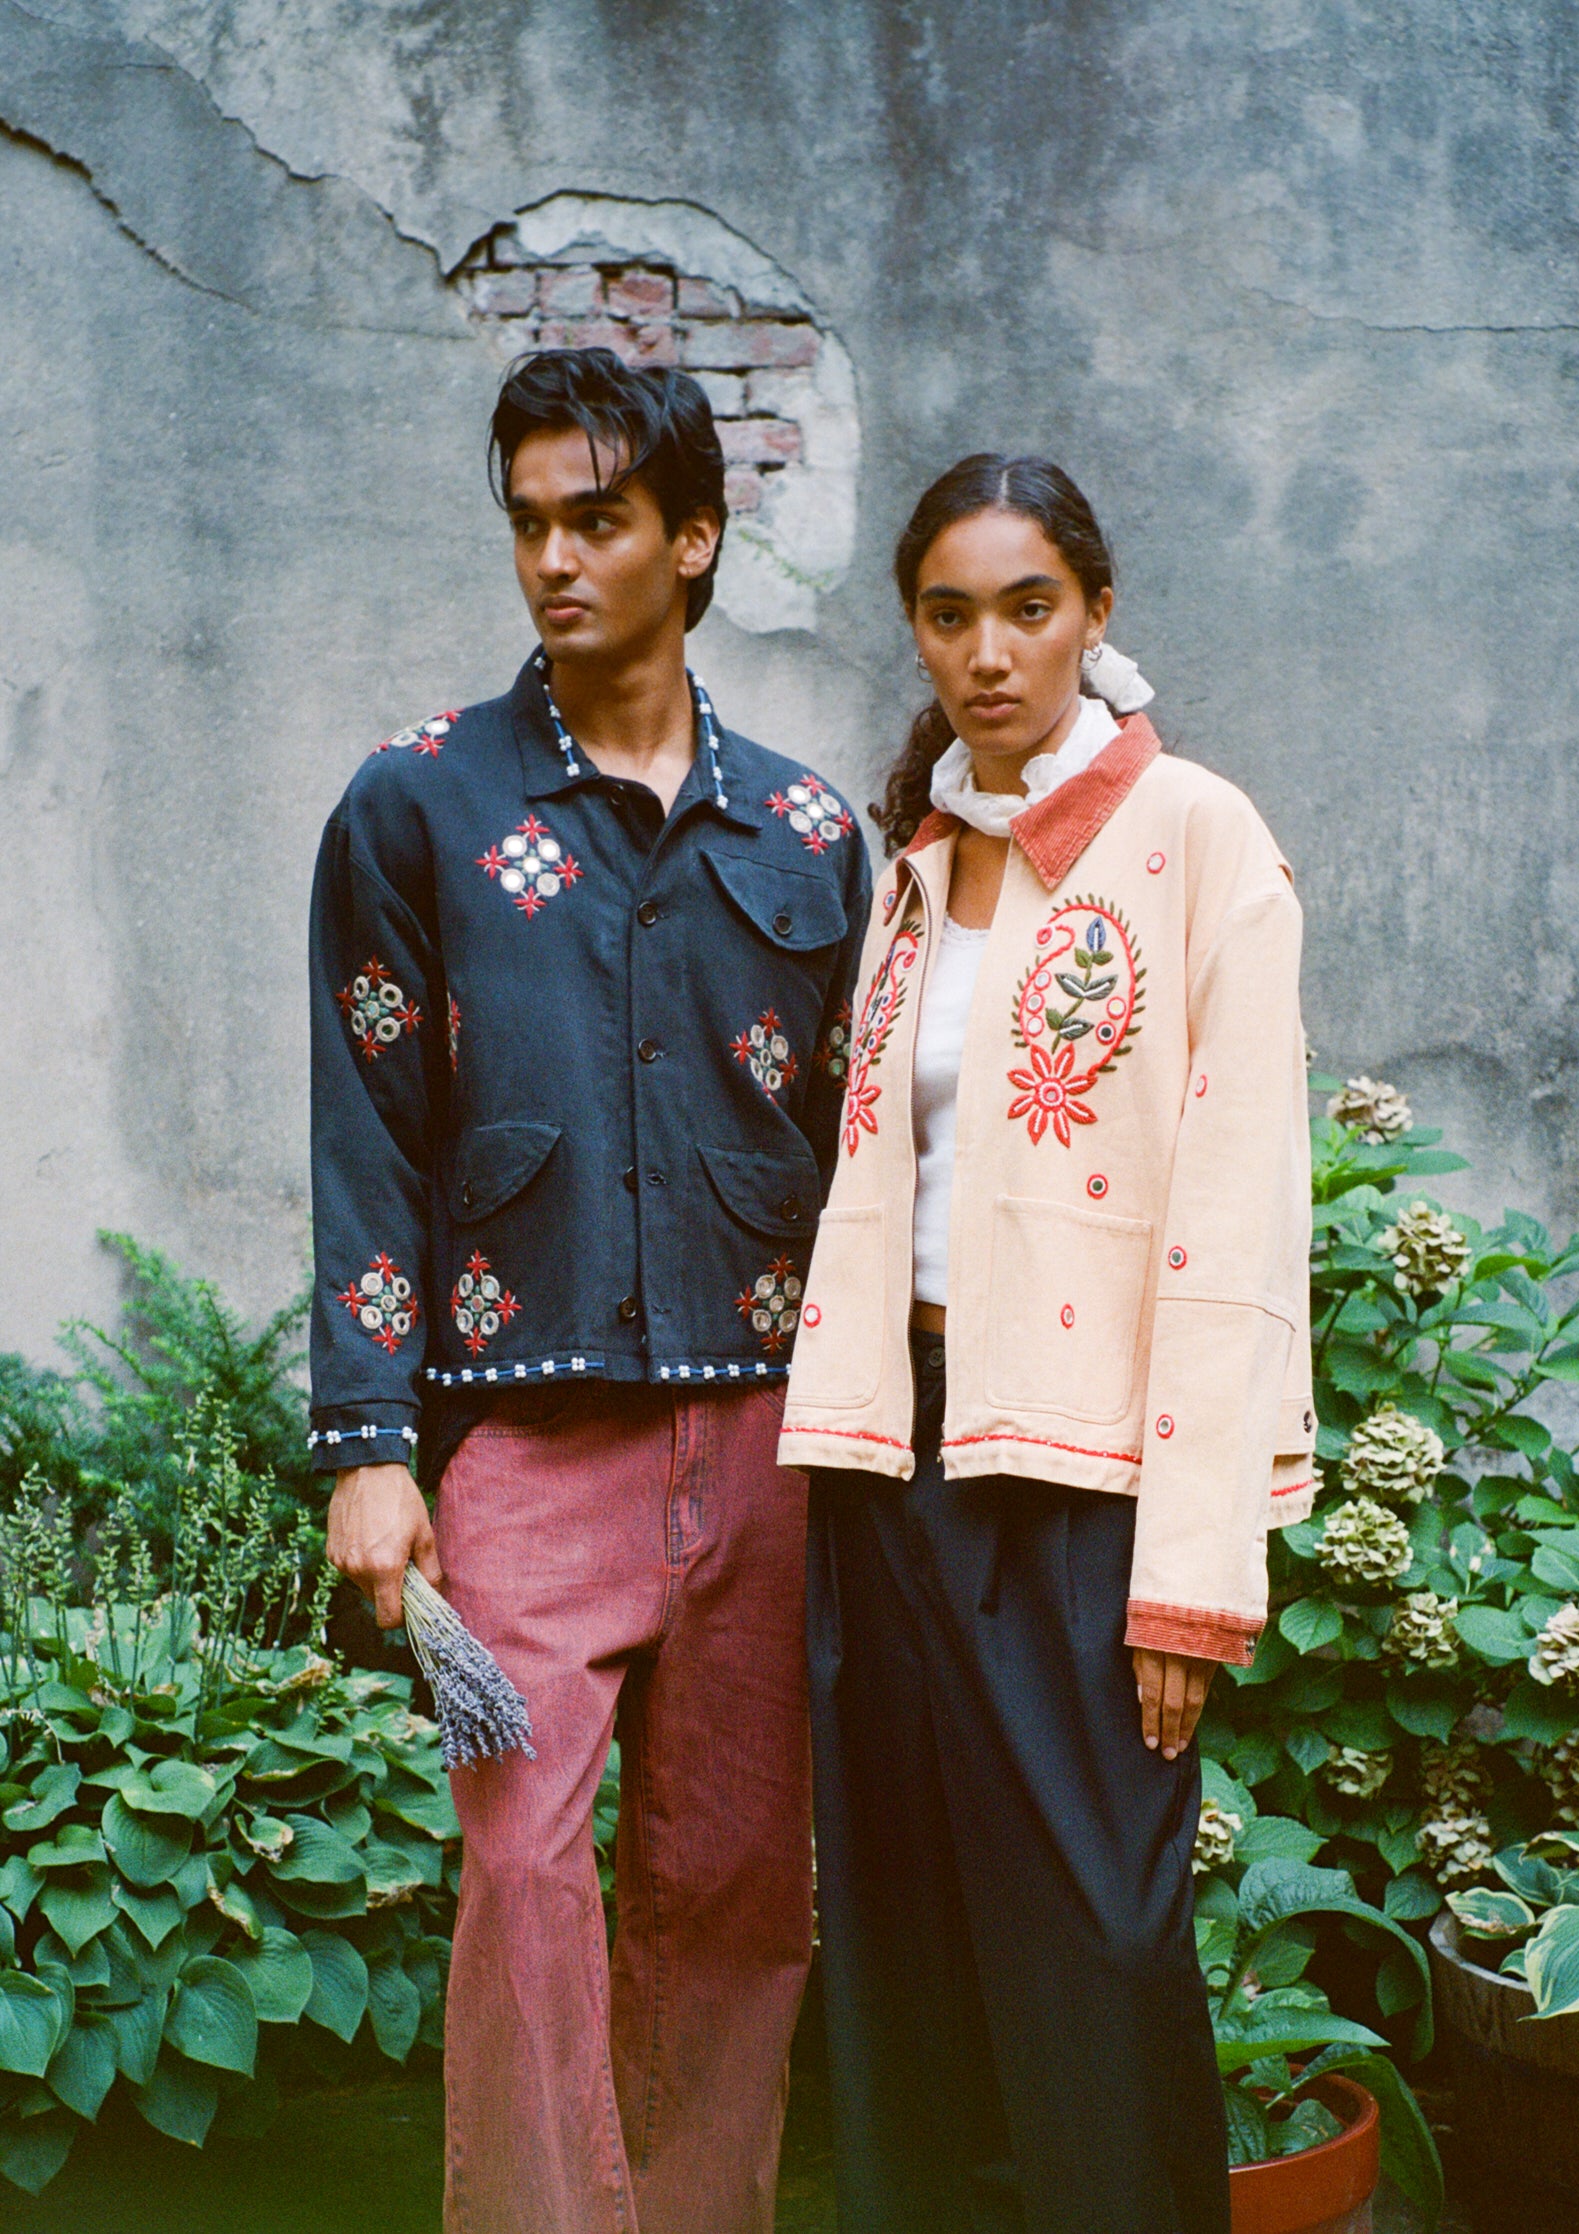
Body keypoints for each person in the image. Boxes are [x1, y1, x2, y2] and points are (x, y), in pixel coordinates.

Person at [309, 347, 870, 2234]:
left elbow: (861, 1159)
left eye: (599, 519)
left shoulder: (806, 835)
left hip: (768, 1435)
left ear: (692, 540)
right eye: (530, 521)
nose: (554, 557)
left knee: (731, 1890)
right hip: (529, 1443)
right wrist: (372, 1443)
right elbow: (369, 1130)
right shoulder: (418, 805)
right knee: (526, 1882)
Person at [779, 454, 1317, 2233]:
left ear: (1096, 610)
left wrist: (1191, 1567)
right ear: (916, 633)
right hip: (897, 1459)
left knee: (1096, 1929)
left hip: (1079, 1482)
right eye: (949, 614)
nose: (990, 652)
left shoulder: (1200, 841)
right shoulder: (922, 864)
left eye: (1029, 607)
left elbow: (1239, 1222)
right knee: (910, 1934)